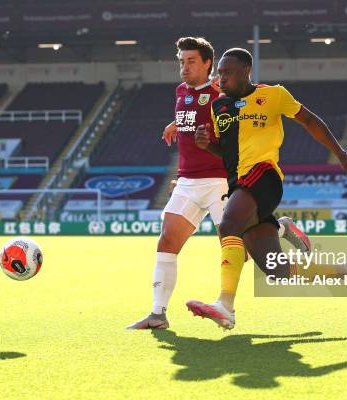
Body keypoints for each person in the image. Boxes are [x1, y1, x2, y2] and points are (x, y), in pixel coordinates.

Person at [187, 48, 347, 330]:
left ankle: (225, 305)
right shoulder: (218, 107)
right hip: (239, 184)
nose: (220, 78)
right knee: (278, 271)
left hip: (264, 176)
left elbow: (309, 120)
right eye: (219, 73)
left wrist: (342, 154)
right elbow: (227, 152)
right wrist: (206, 145)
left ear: (246, 71)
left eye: (227, 72)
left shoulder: (273, 95)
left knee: (228, 225)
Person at [128, 38, 306, 330]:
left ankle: (279, 226)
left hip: (222, 180)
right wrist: (175, 124)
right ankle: (157, 314)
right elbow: (192, 119)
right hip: (187, 180)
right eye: (181, 62)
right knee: (167, 240)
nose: (184, 68)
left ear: (208, 64)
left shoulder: (225, 92)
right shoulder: (181, 91)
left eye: (191, 62)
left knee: (241, 249)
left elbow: (248, 117)